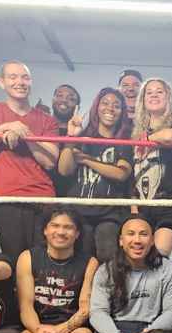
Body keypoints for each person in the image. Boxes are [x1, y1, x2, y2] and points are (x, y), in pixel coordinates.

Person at [0, 60, 60, 262]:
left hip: (43, 198)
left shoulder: (47, 120)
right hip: (8, 200)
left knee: (44, 262)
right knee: (14, 261)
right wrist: (4, 128)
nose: (20, 82)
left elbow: (49, 162)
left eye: (25, 77)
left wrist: (25, 132)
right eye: (13, 77)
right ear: (1, 82)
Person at [15, 208, 98, 333]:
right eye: (55, 226)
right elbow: (26, 306)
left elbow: (85, 308)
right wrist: (39, 330)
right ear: (45, 230)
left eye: (68, 227)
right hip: (37, 323)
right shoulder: (27, 257)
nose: (61, 232)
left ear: (77, 234)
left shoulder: (90, 262)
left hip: (73, 326)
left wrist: (62, 330)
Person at [57, 87, 133, 263]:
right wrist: (71, 138)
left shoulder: (124, 142)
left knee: (107, 255)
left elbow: (121, 174)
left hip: (109, 214)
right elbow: (64, 170)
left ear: (122, 112)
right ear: (97, 107)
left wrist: (87, 160)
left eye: (116, 105)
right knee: (79, 260)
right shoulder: (82, 138)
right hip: (78, 212)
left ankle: (109, 290)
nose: (110, 108)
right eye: (105, 103)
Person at [131, 78, 172, 256]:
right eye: (149, 92)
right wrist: (134, 208)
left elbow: (171, 137)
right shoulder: (134, 133)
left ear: (168, 98)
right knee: (136, 258)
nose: (154, 95)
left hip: (169, 203)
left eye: (159, 91)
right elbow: (131, 175)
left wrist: (147, 140)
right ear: (142, 100)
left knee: (158, 256)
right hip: (141, 204)